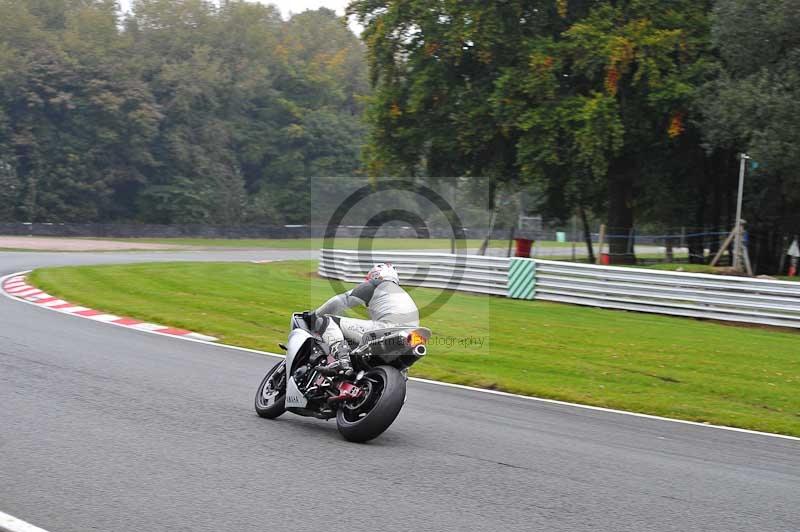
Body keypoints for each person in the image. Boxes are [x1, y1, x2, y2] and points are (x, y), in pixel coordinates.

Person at [306, 263, 419, 376]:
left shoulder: (376, 284)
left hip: (388, 329)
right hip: (411, 338)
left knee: (327, 320)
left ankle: (343, 360)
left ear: (375, 275)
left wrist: (315, 315)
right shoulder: (404, 295)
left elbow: (339, 302)